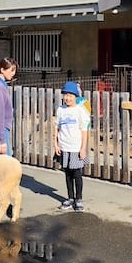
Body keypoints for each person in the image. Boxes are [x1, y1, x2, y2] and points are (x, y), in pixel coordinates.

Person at [54, 81, 91, 212]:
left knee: (77, 174)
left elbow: (84, 130)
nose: (67, 98)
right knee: (67, 173)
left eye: (70, 95)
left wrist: (83, 148)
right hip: (64, 146)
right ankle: (70, 197)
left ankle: (79, 199)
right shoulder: (60, 110)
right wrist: (56, 144)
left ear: (76, 96)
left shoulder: (80, 111)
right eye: (65, 95)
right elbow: (56, 128)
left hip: (76, 147)